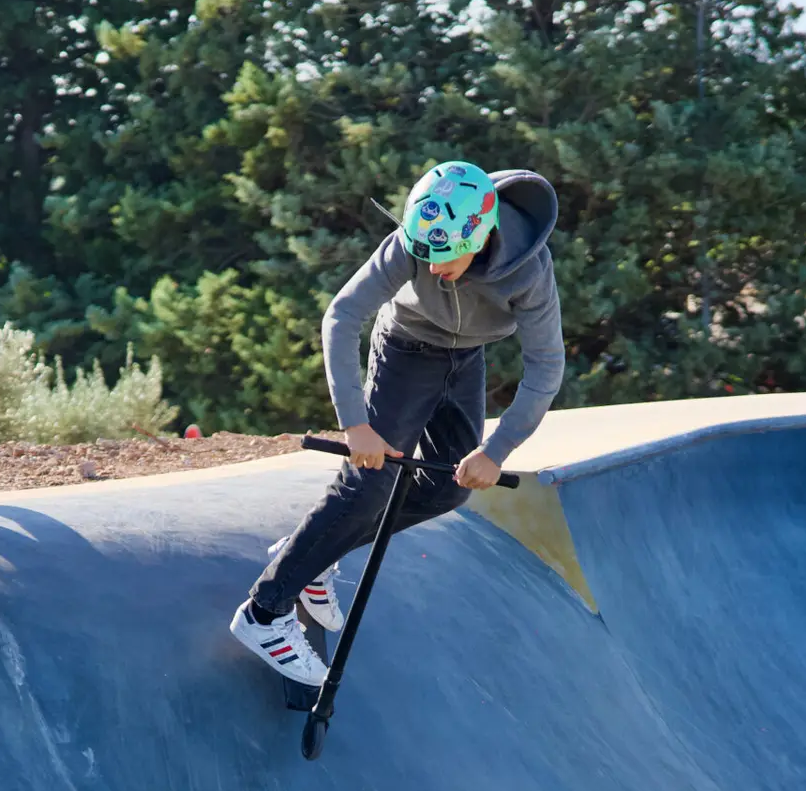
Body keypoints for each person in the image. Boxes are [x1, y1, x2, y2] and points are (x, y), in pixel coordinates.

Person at [229, 161, 565, 684]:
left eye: (444, 256)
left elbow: (547, 367)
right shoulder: (412, 243)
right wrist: (355, 425)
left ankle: (314, 554)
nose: (430, 268)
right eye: (423, 254)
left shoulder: (529, 270)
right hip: (406, 349)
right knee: (369, 485)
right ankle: (264, 613)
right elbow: (342, 316)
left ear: (480, 234)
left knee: (446, 491)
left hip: (468, 358)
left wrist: (497, 450)